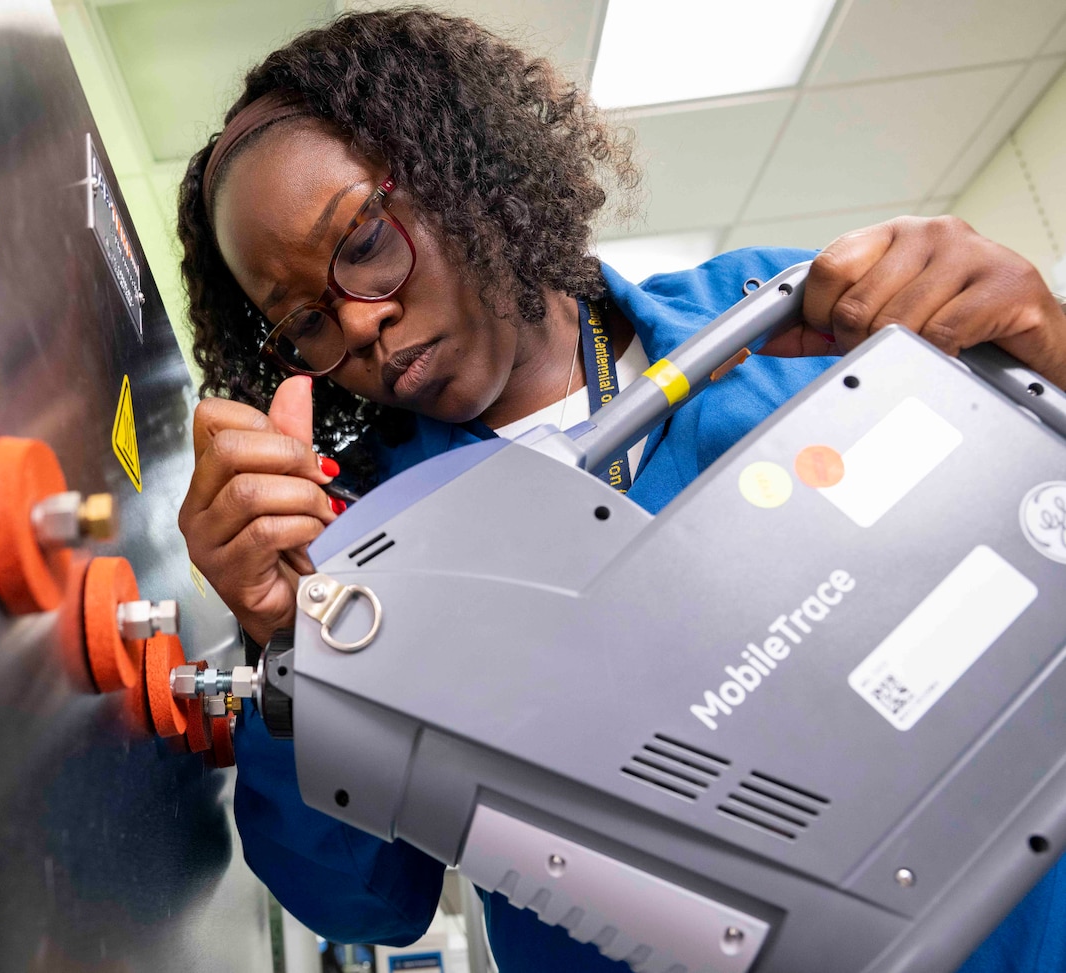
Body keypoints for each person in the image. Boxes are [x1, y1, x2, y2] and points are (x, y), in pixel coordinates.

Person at [173, 10, 1066, 972]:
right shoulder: (358, 564)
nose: (358, 324)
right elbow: (363, 904)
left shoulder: (787, 316)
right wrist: (290, 646)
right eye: (304, 321)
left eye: (361, 241)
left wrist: (1051, 354)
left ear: (455, 165)